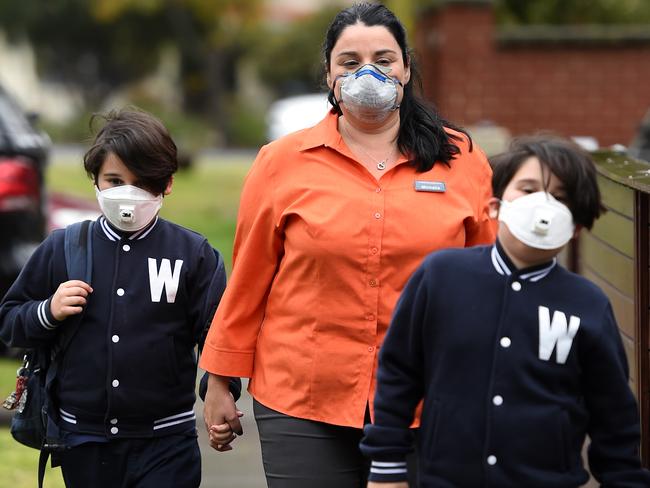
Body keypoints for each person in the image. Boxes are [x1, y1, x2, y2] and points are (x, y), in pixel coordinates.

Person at [200, 3, 495, 487]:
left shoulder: (460, 159)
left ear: (405, 68)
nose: (368, 74)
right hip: (301, 398)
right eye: (351, 62)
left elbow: (489, 282)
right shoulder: (281, 163)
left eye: (383, 59)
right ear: (329, 75)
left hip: (431, 397)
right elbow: (249, 281)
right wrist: (219, 380)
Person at [360, 135, 650, 487]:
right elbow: (399, 373)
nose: (543, 205)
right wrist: (386, 467)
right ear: (495, 206)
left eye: (559, 197)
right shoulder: (441, 277)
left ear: (575, 225)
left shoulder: (586, 304)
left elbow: (613, 414)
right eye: (528, 190)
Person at [0, 108, 240, 487]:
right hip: (83, 442)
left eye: (142, 182)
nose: (127, 193)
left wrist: (220, 389)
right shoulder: (62, 248)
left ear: (167, 184)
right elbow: (10, 321)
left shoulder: (194, 254)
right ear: (94, 179)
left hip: (166, 443)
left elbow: (219, 333)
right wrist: (47, 311)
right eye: (114, 180)